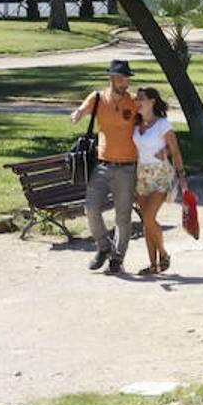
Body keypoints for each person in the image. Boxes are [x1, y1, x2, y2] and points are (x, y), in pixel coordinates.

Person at [71, 59, 139, 275]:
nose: (125, 82)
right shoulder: (98, 98)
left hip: (127, 167)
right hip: (102, 165)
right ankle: (103, 247)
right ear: (112, 78)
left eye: (127, 78)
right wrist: (79, 113)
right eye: (121, 78)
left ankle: (117, 259)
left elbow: (149, 119)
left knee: (123, 217)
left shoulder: (134, 102)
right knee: (90, 208)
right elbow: (82, 109)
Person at [132, 87, 188, 275]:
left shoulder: (162, 125)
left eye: (141, 98)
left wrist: (183, 180)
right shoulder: (135, 123)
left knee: (149, 217)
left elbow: (176, 151)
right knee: (147, 222)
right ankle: (153, 265)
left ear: (152, 101)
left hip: (160, 175)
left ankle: (163, 254)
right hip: (141, 176)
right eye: (136, 98)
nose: (137, 101)